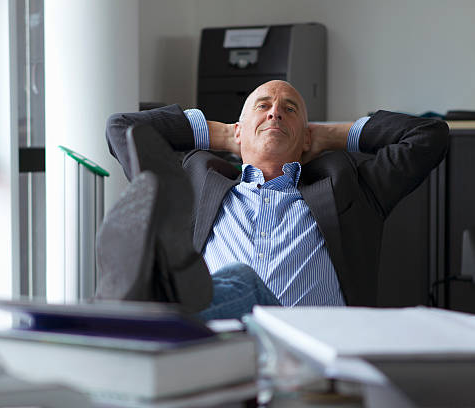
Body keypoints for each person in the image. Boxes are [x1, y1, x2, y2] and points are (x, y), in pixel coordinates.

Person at [97, 80, 449, 320]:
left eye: (290, 109)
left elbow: (428, 136)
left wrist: (331, 135)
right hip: (224, 348)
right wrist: (221, 133)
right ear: (238, 130)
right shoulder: (197, 183)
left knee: (241, 280)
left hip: (312, 353)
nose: (275, 112)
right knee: (231, 283)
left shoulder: (353, 188)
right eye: (263, 106)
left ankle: (133, 312)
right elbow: (121, 128)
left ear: (307, 137)